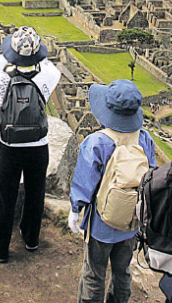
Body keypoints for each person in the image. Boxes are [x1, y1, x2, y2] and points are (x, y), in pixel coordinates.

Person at [68, 80, 157, 303]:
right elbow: (151, 179)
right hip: (131, 224)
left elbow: (84, 182)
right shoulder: (144, 139)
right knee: (123, 272)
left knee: (94, 273)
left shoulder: (97, 142)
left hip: (101, 224)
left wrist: (75, 209)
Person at [0, 26, 61, 263]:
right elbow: (46, 63)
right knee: (36, 191)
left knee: (7, 195)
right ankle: (31, 237)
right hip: (38, 143)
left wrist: (8, 55)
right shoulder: (49, 74)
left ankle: (0, 246)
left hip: (9, 143)